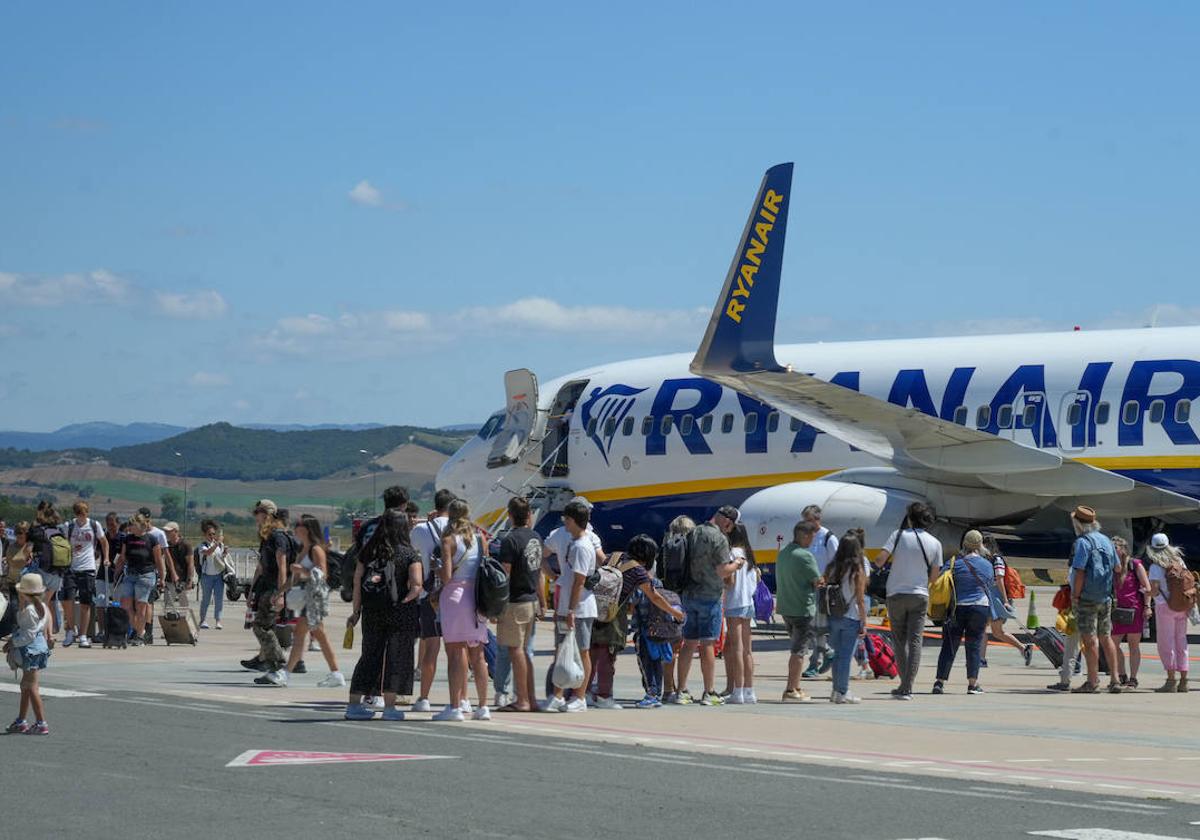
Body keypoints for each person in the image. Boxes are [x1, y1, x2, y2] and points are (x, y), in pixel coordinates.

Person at [345, 508, 423, 720]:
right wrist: (404, 601)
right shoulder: (409, 553)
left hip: (372, 611)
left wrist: (356, 611)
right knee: (396, 658)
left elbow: (357, 582)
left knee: (369, 655)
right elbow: (417, 585)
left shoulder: (368, 552)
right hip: (400, 613)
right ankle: (389, 707)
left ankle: (354, 705)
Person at [873, 501, 942, 700]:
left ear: (910, 519)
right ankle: (908, 686)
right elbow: (934, 577)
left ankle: (903, 685)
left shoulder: (898, 535)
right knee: (915, 641)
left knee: (899, 641)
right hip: (920, 595)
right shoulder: (935, 543)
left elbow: (879, 560)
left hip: (895, 594)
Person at [676, 505, 740, 707]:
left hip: (688, 594)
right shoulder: (719, 539)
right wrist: (737, 564)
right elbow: (722, 571)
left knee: (688, 643)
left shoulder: (693, 532)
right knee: (708, 645)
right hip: (710, 596)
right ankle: (709, 691)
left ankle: (681, 691)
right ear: (727, 522)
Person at [434, 499, 492, 721]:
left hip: (455, 597)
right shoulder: (480, 539)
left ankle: (455, 706)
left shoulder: (448, 540)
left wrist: (436, 568)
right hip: (477, 597)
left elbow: (447, 576)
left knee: (456, 653)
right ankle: (483, 706)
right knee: (478, 654)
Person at [543, 499, 600, 713]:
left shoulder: (583, 546)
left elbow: (579, 581)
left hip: (580, 608)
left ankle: (580, 696)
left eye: (567, 519)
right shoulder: (576, 542)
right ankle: (557, 695)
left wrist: (571, 611)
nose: (564, 523)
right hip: (567, 605)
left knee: (582, 651)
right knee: (562, 650)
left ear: (574, 520)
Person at [283, 515, 345, 687]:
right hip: (306, 597)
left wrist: (302, 570)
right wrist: (280, 592)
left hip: (314, 596)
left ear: (308, 529)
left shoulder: (316, 550)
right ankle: (287, 672)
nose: (296, 528)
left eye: (300, 525)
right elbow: (294, 578)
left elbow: (322, 574)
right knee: (303, 635)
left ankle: (287, 673)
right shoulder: (303, 549)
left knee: (314, 635)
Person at [1066, 505, 1122, 694]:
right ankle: (1115, 679)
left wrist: (1075, 595)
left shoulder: (1083, 542)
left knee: (1090, 640)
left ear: (1078, 523)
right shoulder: (1106, 540)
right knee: (1106, 638)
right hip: (1105, 597)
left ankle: (1092, 681)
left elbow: (1079, 570)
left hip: (1087, 598)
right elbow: (1118, 568)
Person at [494, 496, 543, 713]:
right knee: (524, 651)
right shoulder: (535, 537)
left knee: (516, 651)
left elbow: (504, 574)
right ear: (529, 515)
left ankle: (522, 699)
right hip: (531, 599)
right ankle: (530, 698)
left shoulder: (510, 540)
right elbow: (539, 572)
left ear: (510, 515)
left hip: (515, 601)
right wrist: (543, 601)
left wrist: (496, 605)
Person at [932, 531, 994, 696]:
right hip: (979, 607)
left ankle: (940, 682)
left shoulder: (954, 563)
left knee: (949, 645)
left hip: (956, 608)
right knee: (974, 645)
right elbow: (989, 584)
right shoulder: (987, 565)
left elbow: (940, 578)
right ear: (980, 545)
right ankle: (972, 684)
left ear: (964, 544)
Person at [626, 534, 685, 708]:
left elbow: (631, 604)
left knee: (646, 664)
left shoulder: (636, 579)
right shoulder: (657, 581)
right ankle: (656, 693)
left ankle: (651, 694)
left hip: (644, 631)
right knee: (657, 662)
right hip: (659, 630)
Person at [410, 488, 451, 712]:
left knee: (430, 648)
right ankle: (461, 699)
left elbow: (412, 553)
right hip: (455, 597)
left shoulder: (420, 530)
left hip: (429, 595)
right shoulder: (463, 531)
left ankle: (423, 697)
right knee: (458, 651)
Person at [244, 500, 291, 686]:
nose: (256, 516)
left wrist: (280, 594)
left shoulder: (278, 537)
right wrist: (251, 591)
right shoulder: (266, 537)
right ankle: (274, 668)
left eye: (258, 512)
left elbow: (283, 568)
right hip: (265, 588)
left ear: (267, 514)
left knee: (261, 627)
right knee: (264, 627)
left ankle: (279, 668)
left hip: (274, 589)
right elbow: (261, 567)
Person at [776, 521, 821, 702]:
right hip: (802, 608)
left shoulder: (783, 554)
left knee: (796, 648)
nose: (812, 540)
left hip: (786, 608)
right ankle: (790, 689)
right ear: (804, 536)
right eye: (811, 537)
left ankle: (796, 686)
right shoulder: (805, 556)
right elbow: (817, 580)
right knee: (799, 651)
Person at [3, 574, 52, 735]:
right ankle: (21, 720)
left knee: (31, 687)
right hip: (38, 648)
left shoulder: (29, 610)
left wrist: (12, 642)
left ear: (23, 593)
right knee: (26, 686)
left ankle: (41, 722)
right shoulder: (41, 607)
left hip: (29, 650)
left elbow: (28, 634)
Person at [1145, 532, 1192, 693]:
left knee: (1167, 643)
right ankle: (1184, 681)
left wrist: (1146, 591)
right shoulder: (1179, 561)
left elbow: (1155, 590)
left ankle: (1171, 680)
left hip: (1165, 607)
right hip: (1182, 605)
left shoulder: (1155, 566)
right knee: (1181, 642)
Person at [825, 533, 868, 704]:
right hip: (851, 616)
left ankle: (836, 690)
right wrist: (864, 622)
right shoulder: (857, 570)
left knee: (837, 655)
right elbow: (860, 599)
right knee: (845, 656)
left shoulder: (833, 567)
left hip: (833, 615)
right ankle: (842, 691)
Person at [978, 536, 1033, 667]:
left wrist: (1005, 600)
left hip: (998, 600)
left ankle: (981, 659)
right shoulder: (990, 560)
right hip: (992, 598)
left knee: (991, 630)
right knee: (993, 631)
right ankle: (1023, 649)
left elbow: (1000, 580)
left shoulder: (996, 560)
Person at [721, 522, 759, 704]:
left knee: (736, 649)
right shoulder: (749, 555)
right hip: (748, 603)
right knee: (747, 650)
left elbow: (730, 581)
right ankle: (749, 690)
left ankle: (738, 690)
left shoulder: (732, 554)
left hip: (734, 602)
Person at [61, 501, 107, 649]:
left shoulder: (94, 525)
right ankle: (70, 630)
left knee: (85, 603)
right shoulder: (69, 526)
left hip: (88, 567)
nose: (82, 516)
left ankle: (83, 635)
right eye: (79, 513)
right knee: (67, 599)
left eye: (84, 513)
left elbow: (104, 542)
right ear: (75, 514)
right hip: (71, 567)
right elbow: (62, 543)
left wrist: (105, 557)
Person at [800, 504, 839, 677]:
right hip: (807, 588)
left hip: (823, 589)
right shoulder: (806, 537)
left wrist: (825, 578)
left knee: (816, 628)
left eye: (809, 520)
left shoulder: (828, 538)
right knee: (812, 627)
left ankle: (814, 664)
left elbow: (836, 564)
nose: (806, 524)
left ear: (817, 519)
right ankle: (827, 654)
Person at [660, 515, 695, 703]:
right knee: (682, 645)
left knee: (669, 646)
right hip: (684, 598)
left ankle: (667, 688)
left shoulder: (666, 545)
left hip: (666, 597)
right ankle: (680, 687)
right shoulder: (689, 547)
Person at [116, 514, 166, 645]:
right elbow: (122, 557)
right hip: (130, 574)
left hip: (146, 575)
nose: (130, 527)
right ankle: (138, 630)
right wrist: (116, 573)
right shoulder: (128, 539)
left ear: (140, 525)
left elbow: (158, 560)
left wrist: (162, 577)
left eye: (132, 525)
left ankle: (139, 634)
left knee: (141, 606)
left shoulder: (152, 539)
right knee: (125, 604)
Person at [1109, 536, 1150, 689]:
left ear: (1123, 549)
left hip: (1134, 609)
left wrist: (1147, 606)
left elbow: (1147, 587)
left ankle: (1133, 678)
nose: (1112, 551)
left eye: (1115, 548)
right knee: (1113, 644)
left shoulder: (1135, 565)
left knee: (1133, 645)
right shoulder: (1111, 566)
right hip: (1116, 609)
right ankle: (1121, 674)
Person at [26, 502, 65, 637]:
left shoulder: (37, 530)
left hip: (43, 569)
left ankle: (42, 634)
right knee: (46, 604)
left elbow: (28, 548)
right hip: (58, 572)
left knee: (41, 604)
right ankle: (49, 635)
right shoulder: (59, 530)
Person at [197, 519, 229, 629]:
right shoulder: (202, 545)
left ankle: (218, 620)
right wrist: (217, 544)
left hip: (218, 576)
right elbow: (208, 552)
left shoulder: (220, 545)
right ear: (205, 534)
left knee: (219, 598)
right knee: (206, 598)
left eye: (213, 534)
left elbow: (220, 559)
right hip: (207, 576)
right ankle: (203, 620)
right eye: (209, 534)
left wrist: (224, 553)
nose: (212, 536)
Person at [163, 522, 193, 609]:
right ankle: (170, 622)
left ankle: (184, 622)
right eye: (166, 531)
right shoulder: (166, 545)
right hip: (169, 579)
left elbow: (190, 564)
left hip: (183, 580)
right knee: (168, 605)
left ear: (176, 531)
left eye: (169, 531)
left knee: (184, 606)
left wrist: (190, 580)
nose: (166, 533)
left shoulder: (186, 545)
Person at [3, 523, 29, 598]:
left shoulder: (32, 547)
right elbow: (12, 562)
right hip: (13, 583)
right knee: (14, 607)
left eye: (21, 532)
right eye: (17, 532)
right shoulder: (11, 547)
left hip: (28, 586)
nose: (19, 535)